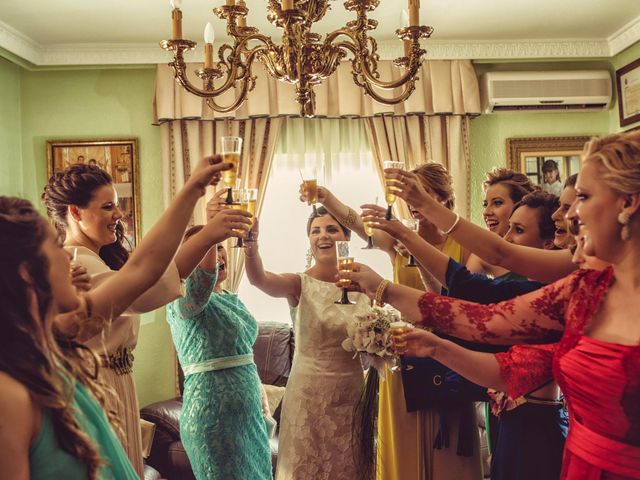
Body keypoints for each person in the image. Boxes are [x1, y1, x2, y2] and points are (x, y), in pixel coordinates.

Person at [342, 130, 640, 479]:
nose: (571, 215)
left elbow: (493, 270)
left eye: (584, 197)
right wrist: (395, 301)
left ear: (628, 203)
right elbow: (486, 320)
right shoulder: (585, 290)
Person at [0, 157, 232, 479]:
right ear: (27, 275)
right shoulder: (12, 392)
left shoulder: (57, 331)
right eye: (50, 245)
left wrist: (194, 191)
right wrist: (197, 206)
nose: (62, 251)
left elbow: (143, 270)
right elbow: (142, 274)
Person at [363, 190, 567, 480]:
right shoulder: (540, 292)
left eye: (518, 230)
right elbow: (466, 298)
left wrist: (385, 288)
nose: (506, 237)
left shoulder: (547, 296)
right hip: (512, 420)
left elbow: (472, 299)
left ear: (549, 243)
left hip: (536, 430)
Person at [244, 207, 370, 480]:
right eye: (316, 231)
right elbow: (259, 280)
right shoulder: (298, 284)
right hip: (308, 395)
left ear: (346, 237)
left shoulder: (365, 283)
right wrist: (251, 245)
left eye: (331, 229)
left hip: (352, 395)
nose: (322, 236)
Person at [166, 219, 272, 479]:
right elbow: (201, 281)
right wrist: (209, 235)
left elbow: (244, 355)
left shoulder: (230, 298)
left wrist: (261, 399)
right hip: (213, 418)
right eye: (206, 248)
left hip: (250, 421)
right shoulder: (181, 301)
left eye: (220, 246)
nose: (218, 253)